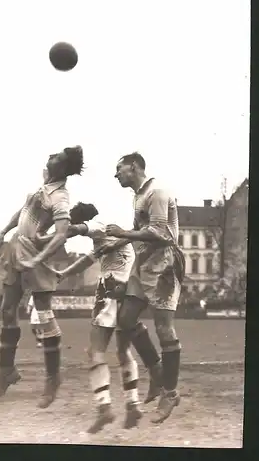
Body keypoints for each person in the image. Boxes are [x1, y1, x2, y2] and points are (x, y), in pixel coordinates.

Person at [0, 145, 84, 408]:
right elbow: (22, 212)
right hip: (15, 248)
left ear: (62, 167)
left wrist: (40, 258)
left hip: (33, 253)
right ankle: (6, 372)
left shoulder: (61, 197)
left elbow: (62, 233)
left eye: (58, 157)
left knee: (43, 316)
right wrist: (2, 231)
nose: (52, 156)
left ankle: (53, 378)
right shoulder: (42, 187)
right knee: (7, 310)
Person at [39, 202, 143, 433]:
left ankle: (104, 407)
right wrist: (63, 273)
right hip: (129, 292)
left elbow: (79, 230)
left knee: (95, 351)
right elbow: (88, 259)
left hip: (110, 290)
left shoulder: (97, 227)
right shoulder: (108, 233)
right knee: (123, 350)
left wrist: (56, 233)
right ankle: (133, 403)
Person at [101, 151, 185, 424]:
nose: (116, 174)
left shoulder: (157, 192)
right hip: (144, 264)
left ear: (134, 166)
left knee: (164, 328)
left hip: (165, 265)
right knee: (125, 321)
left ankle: (170, 393)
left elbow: (161, 234)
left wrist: (122, 233)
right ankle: (157, 372)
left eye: (119, 168)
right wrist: (117, 243)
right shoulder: (138, 196)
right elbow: (144, 232)